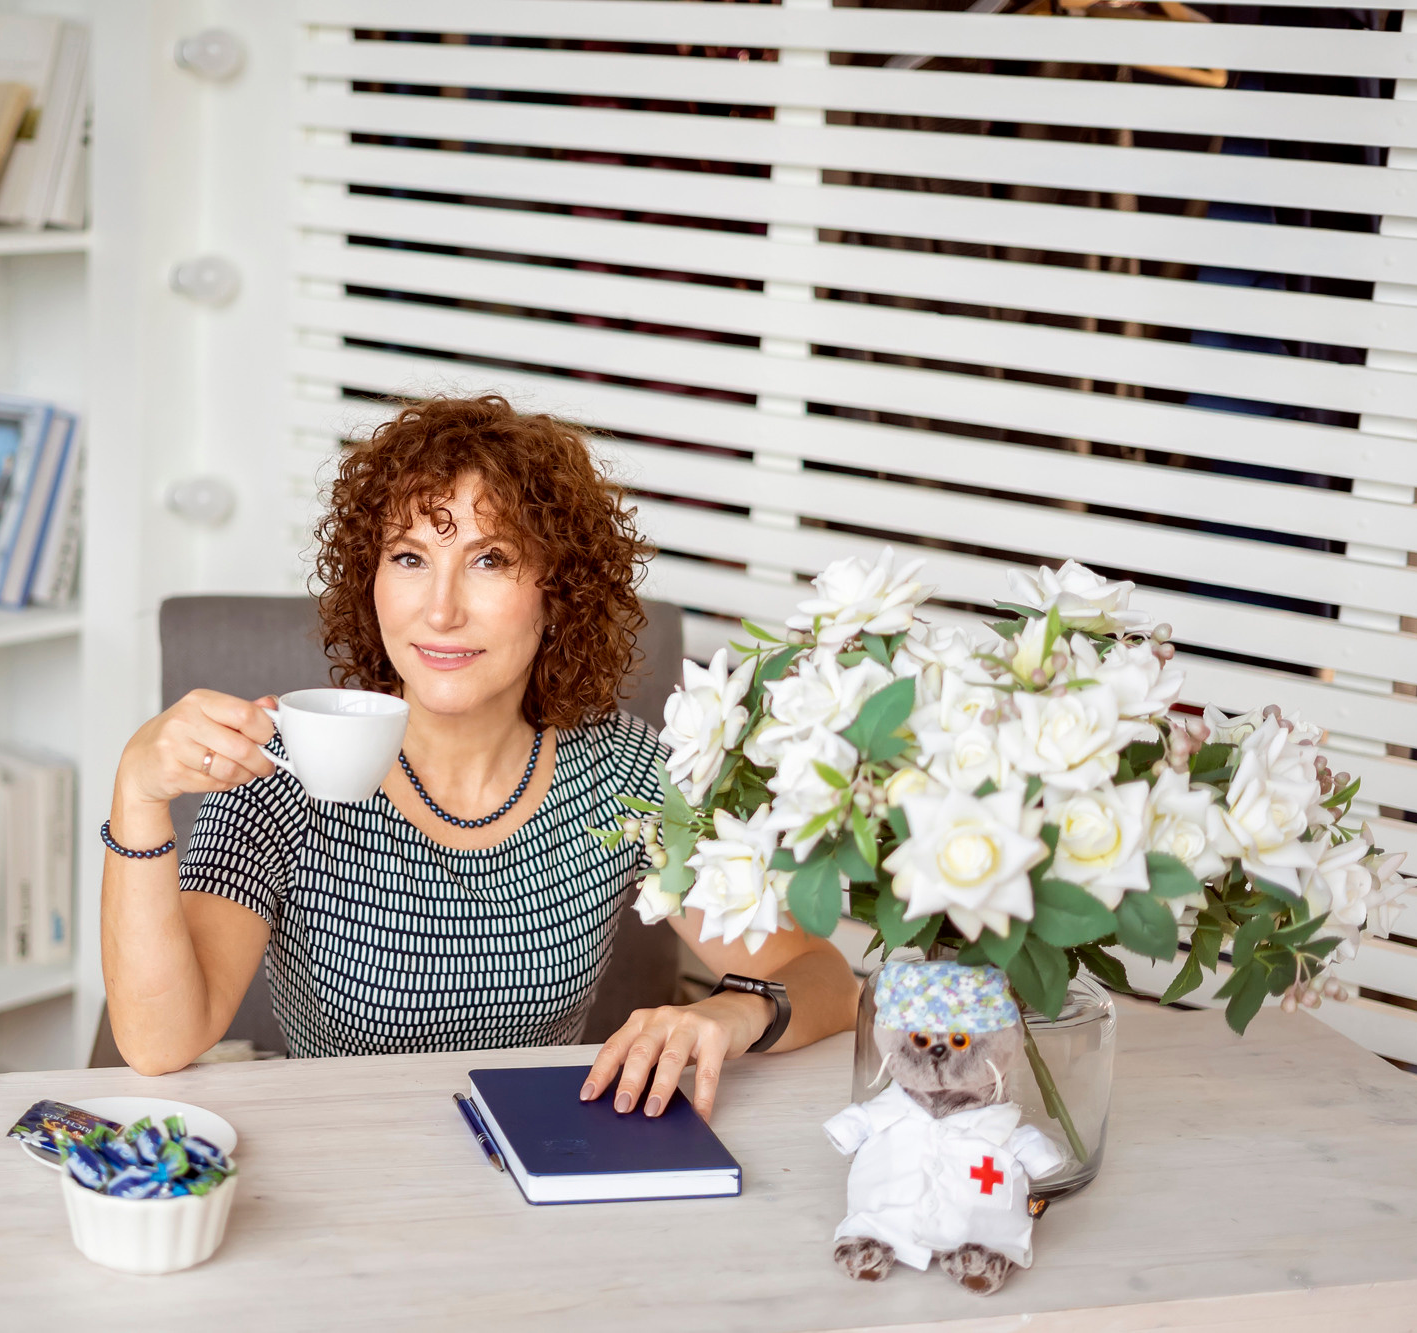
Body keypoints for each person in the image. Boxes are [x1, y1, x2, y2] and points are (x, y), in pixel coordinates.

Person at [101, 395, 859, 1120]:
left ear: (559, 591)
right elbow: (159, 1041)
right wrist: (137, 795)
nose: (440, 609)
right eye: (408, 557)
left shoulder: (623, 775)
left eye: (489, 558)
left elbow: (825, 978)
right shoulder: (288, 771)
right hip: (345, 1168)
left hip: (540, 1167)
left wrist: (734, 1009)